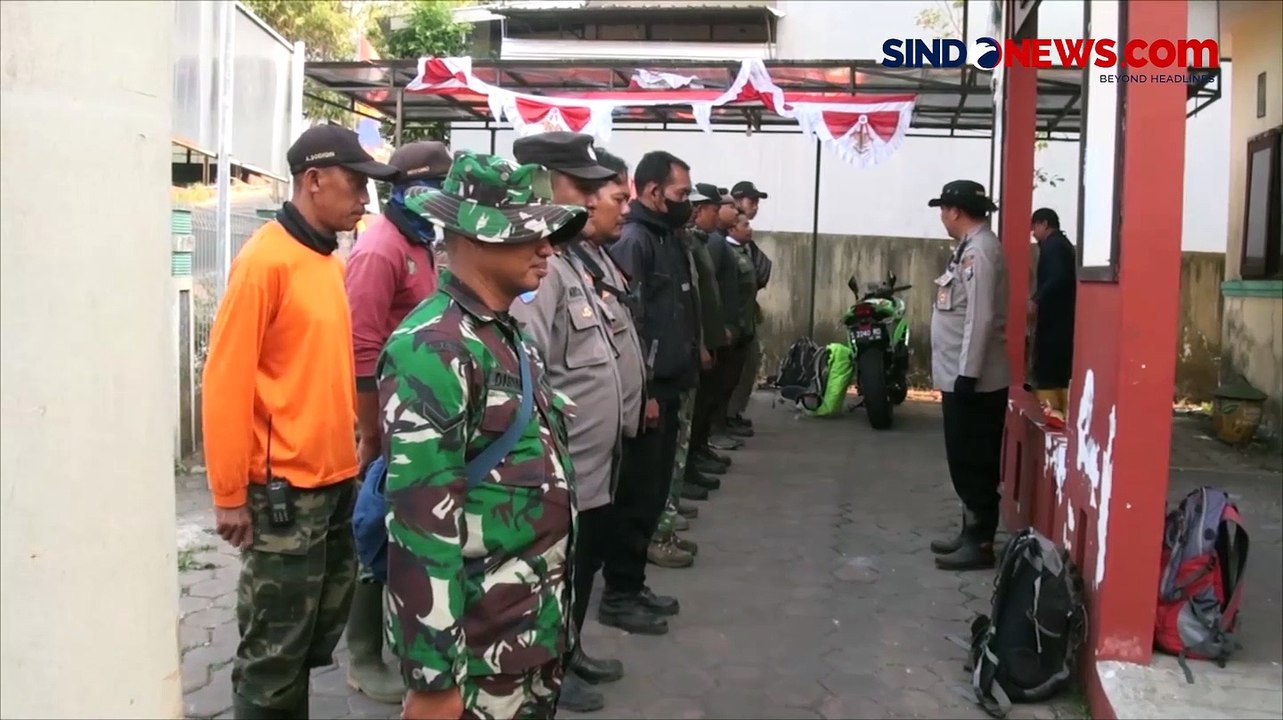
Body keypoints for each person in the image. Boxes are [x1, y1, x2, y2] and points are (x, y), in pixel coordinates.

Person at [378, 151, 588, 720]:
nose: (548, 248)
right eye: (528, 235)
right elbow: (422, 527)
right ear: (474, 236)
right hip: (476, 661)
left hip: (528, 637)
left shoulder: (502, 335)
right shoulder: (436, 349)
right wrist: (432, 681)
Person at [201, 124, 400, 719]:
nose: (366, 197)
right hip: (281, 492)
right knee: (273, 652)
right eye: (357, 183)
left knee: (311, 640)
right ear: (314, 181)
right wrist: (229, 493)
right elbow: (226, 381)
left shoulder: (325, 259)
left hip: (333, 480)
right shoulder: (266, 260)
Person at [508, 132, 631, 714]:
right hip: (559, 466)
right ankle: (550, 668)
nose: (589, 201)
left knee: (579, 573)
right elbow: (530, 372)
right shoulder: (539, 268)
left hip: (589, 458)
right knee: (554, 579)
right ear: (542, 185)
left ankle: (569, 651)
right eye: (578, 188)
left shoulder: (572, 258)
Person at [342, 140, 453, 705]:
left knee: (403, 526)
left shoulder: (421, 242)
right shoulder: (380, 250)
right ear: (409, 191)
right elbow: (360, 347)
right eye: (437, 188)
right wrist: (370, 432)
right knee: (374, 526)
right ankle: (362, 654)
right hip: (382, 417)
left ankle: (394, 637)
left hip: (412, 412)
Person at [600, 150, 698, 636]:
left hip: (668, 387)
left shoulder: (666, 236)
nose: (688, 201)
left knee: (654, 492)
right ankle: (618, 594)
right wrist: (645, 392)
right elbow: (627, 325)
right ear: (654, 192)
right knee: (635, 498)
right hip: (648, 394)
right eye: (681, 193)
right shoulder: (636, 241)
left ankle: (633, 584)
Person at [926, 179, 1010, 572]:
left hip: (974, 381)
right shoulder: (968, 249)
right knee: (962, 459)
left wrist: (967, 373)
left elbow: (981, 317)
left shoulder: (981, 251)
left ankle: (980, 543)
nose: (942, 216)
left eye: (943, 209)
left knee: (974, 461)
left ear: (955, 211)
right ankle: (969, 532)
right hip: (961, 375)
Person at [707, 210, 760, 468]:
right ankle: (714, 432)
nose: (748, 225)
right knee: (719, 384)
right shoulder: (716, 245)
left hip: (741, 326)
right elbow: (714, 289)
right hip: (728, 329)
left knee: (732, 380)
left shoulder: (742, 250)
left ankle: (724, 423)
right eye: (743, 221)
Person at [725, 180, 773, 437]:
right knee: (733, 372)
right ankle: (725, 418)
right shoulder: (723, 238)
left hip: (746, 314)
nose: (755, 206)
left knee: (747, 366)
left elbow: (761, 269)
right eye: (751, 200)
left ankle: (733, 414)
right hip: (734, 320)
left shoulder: (745, 240)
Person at [1028, 207, 1076, 426]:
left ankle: (1054, 415)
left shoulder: (1054, 247)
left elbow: (1057, 277)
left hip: (1056, 320)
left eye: (1035, 228)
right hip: (1060, 319)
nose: (1033, 233)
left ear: (1044, 224)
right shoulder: (1059, 245)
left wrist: (1037, 298)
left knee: (1048, 368)